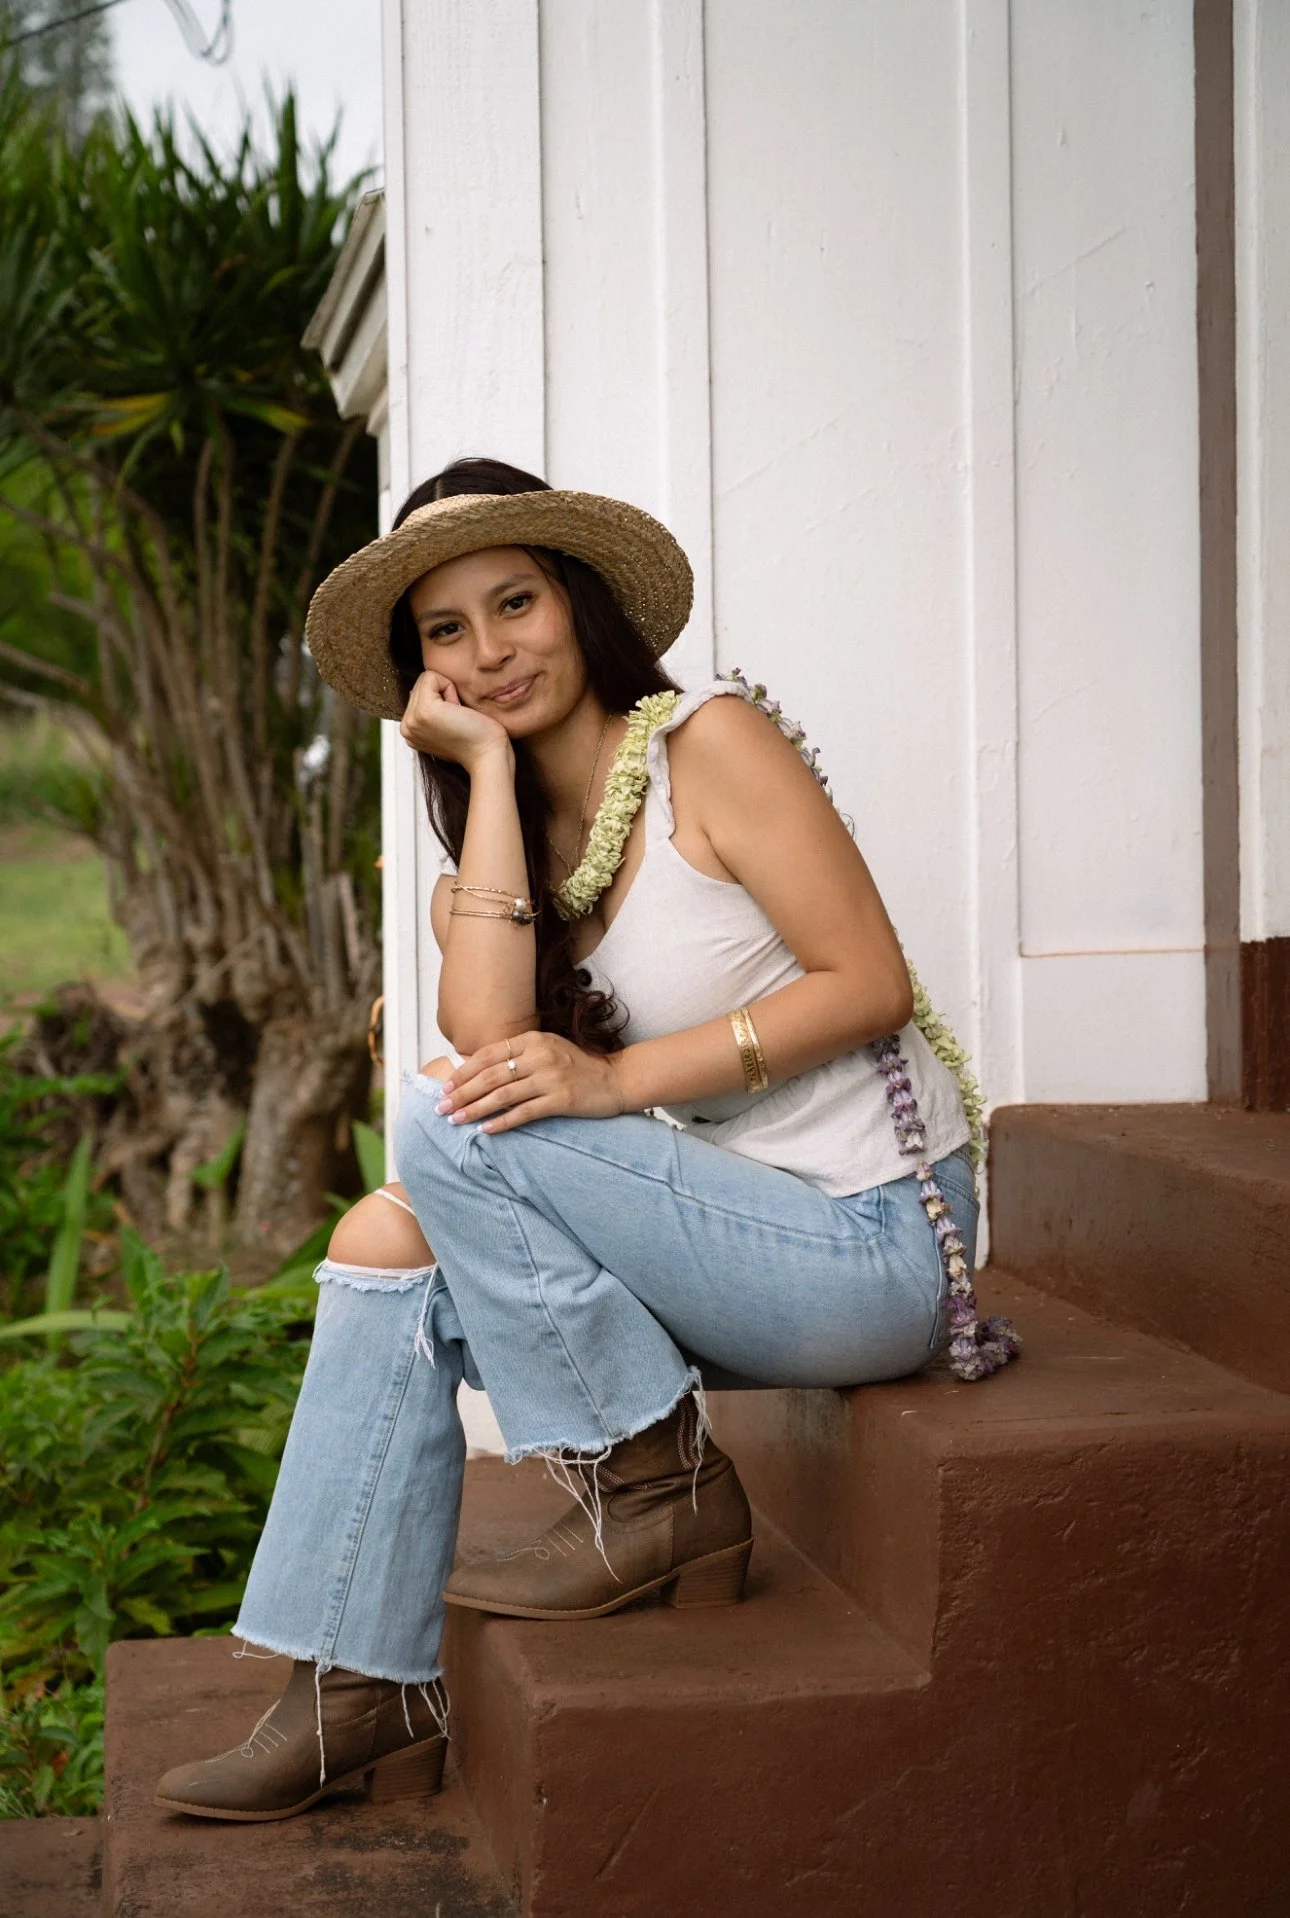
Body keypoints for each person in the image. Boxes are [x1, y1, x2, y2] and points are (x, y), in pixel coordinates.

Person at [154, 458, 1015, 1823]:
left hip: (870, 1245)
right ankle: (354, 1684)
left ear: (583, 604)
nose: (491, 651)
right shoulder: (495, 856)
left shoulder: (705, 744)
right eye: (447, 631)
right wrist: (489, 770)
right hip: (724, 1241)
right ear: (418, 671)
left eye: (516, 603)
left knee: (449, 1108)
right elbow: (496, 1037)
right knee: (388, 1236)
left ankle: (651, 1472)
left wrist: (615, 1084)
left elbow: (864, 980)